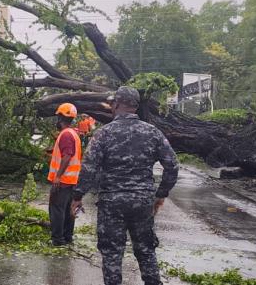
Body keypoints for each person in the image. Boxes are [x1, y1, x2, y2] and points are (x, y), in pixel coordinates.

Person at [71, 86, 179, 285]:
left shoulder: (103, 134)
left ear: (118, 104)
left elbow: (88, 168)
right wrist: (160, 194)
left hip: (112, 202)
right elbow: (172, 165)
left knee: (112, 254)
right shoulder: (152, 132)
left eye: (113, 103)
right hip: (142, 201)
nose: (111, 106)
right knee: (146, 251)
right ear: (135, 107)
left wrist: (77, 196)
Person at [46, 102, 83, 247]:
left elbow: (67, 156)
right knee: (68, 209)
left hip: (64, 180)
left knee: (56, 209)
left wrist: (58, 176)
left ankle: (58, 240)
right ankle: (67, 237)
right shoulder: (73, 133)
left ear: (61, 117)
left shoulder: (66, 134)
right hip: (72, 179)